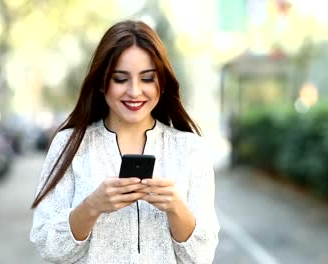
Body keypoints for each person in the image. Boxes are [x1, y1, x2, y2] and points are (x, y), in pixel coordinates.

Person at [30, 20, 220, 264]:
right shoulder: (69, 144)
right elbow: (48, 247)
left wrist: (175, 208)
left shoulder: (191, 149)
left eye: (147, 78)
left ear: (162, 83)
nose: (134, 91)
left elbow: (202, 257)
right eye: (120, 79)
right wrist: (92, 206)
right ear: (102, 82)